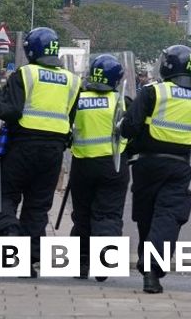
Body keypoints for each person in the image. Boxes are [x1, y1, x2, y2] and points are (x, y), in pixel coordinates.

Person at [0, 27, 82, 273]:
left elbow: (11, 112)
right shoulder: (72, 80)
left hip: (22, 147)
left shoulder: (25, 74)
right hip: (53, 152)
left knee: (0, 195)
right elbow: (71, 117)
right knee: (38, 205)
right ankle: (29, 259)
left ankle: (9, 232)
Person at [120, 45, 191, 294]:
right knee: (168, 218)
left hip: (146, 164)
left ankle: (148, 267)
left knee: (146, 218)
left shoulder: (152, 93)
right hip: (179, 166)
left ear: (167, 65)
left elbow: (129, 127)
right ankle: (152, 271)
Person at [68, 54, 130, 281]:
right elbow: (132, 131)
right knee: (109, 216)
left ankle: (80, 265)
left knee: (82, 216)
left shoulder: (79, 100)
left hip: (82, 164)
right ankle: (106, 264)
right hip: (113, 165)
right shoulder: (122, 102)